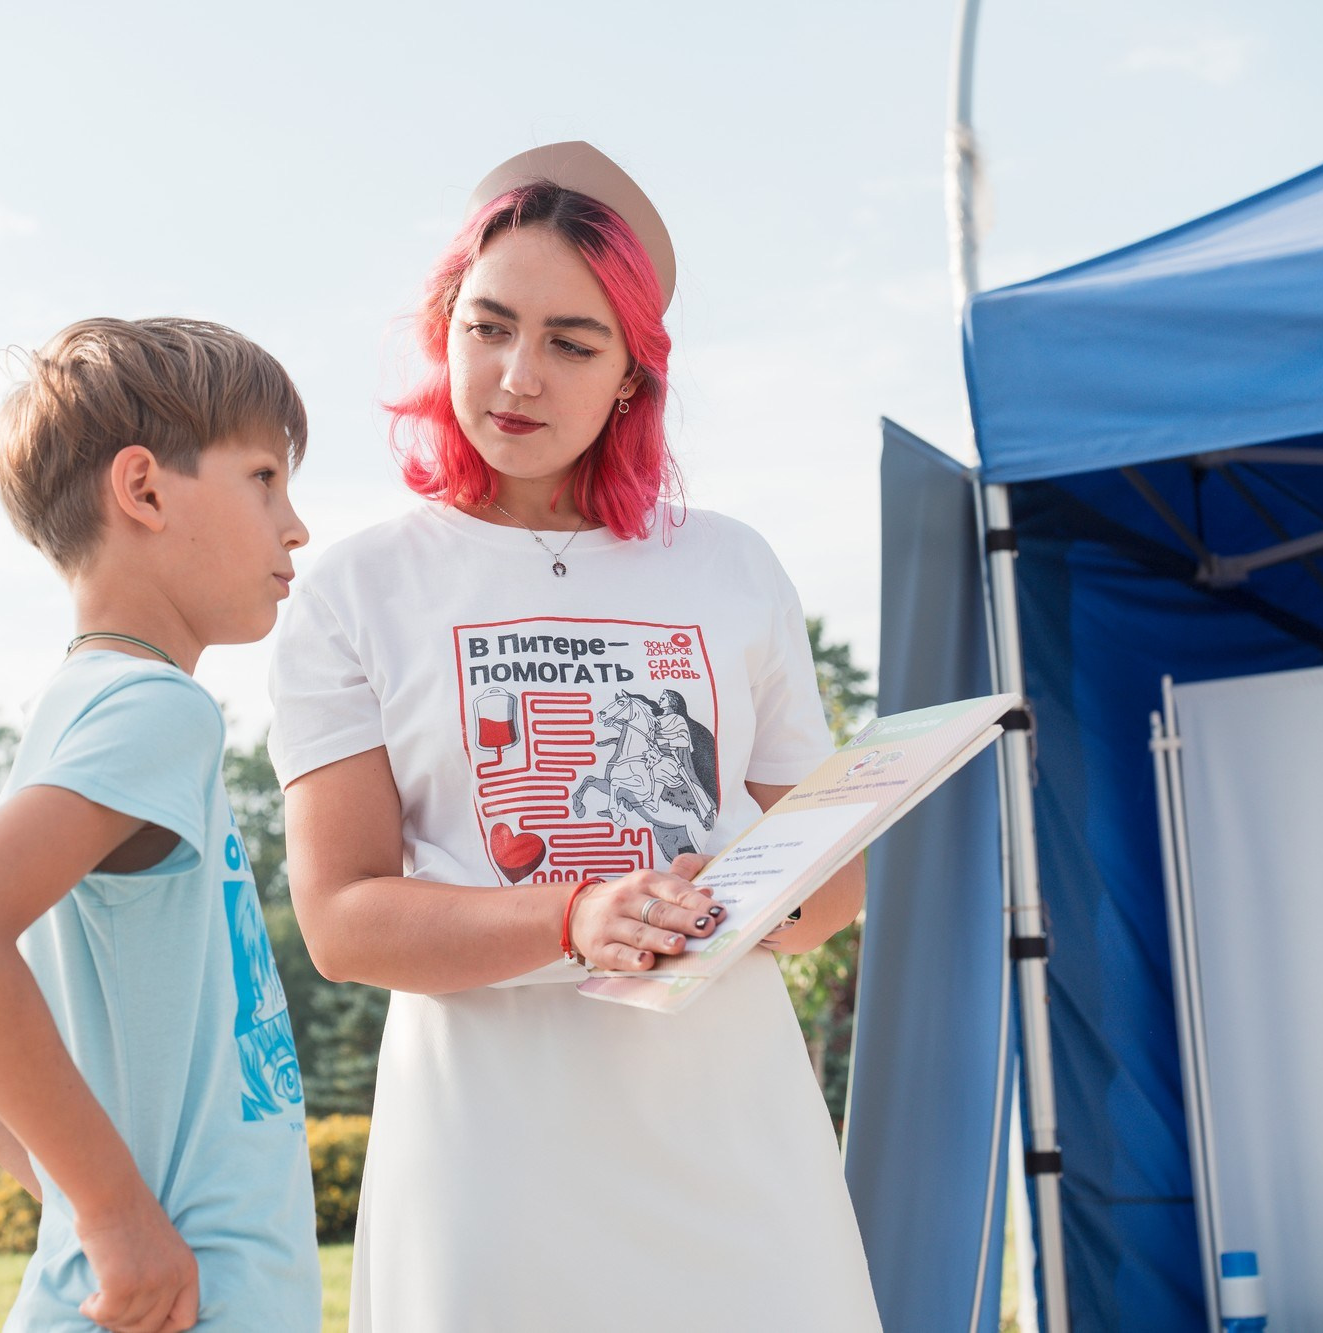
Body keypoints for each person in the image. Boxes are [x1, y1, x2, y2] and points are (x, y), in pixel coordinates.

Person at [270, 144, 882, 1331]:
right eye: (488, 325)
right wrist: (575, 915)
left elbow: (830, 877)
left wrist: (737, 895)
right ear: (442, 327)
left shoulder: (730, 564)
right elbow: (340, 919)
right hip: (486, 1154)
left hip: (728, 1133)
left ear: (632, 376)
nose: (516, 374)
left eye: (570, 341)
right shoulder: (356, 590)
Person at [0, 317, 317, 1333]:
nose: (294, 526)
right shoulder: (159, 711)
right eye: (262, 479)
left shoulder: (80, 711)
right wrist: (113, 1215)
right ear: (145, 490)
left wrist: (81, 1202)